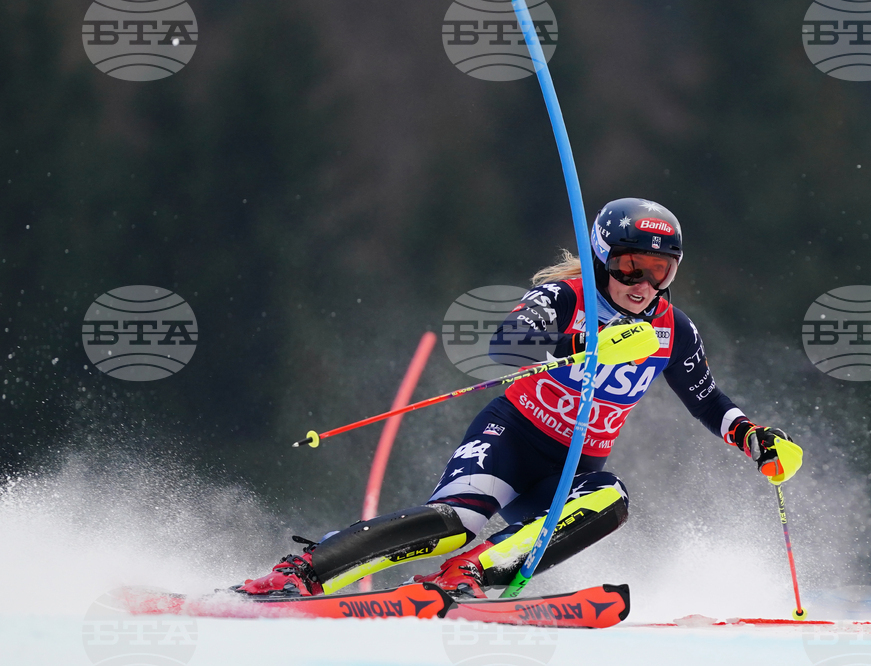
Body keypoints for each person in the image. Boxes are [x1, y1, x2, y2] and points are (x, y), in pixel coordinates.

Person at [237, 197, 801, 599]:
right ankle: (305, 571)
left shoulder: (673, 330)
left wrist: (754, 439)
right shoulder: (563, 296)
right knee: (456, 520)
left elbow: (705, 399)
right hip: (513, 437)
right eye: (631, 264)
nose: (643, 283)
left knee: (612, 499)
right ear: (604, 257)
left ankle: (469, 578)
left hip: (574, 467)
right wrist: (584, 343)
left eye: (659, 269)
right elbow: (507, 345)